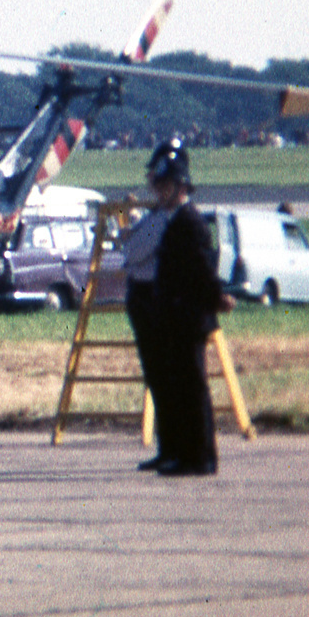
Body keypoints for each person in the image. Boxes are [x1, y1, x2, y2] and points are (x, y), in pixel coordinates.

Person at [124, 139, 233, 477]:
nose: (158, 190)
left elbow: (202, 268)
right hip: (174, 315)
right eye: (156, 184)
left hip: (189, 317)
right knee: (180, 387)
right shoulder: (172, 220)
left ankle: (200, 457)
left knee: (193, 389)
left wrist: (217, 298)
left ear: (179, 184)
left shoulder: (189, 222)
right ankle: (184, 453)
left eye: (164, 184)